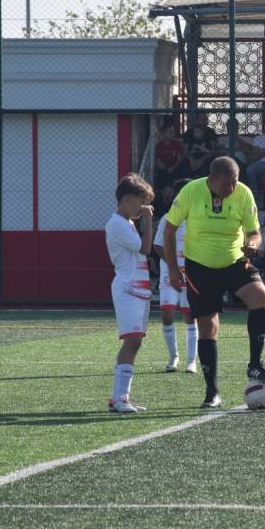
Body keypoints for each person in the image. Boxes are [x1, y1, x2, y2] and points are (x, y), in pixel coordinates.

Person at [163, 157, 265, 410]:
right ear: (211, 180)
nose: (231, 189)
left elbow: (255, 232)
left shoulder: (243, 193)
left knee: (260, 295)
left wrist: (253, 244)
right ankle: (212, 392)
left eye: (234, 182)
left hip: (234, 261)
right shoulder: (191, 191)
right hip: (199, 267)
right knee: (208, 326)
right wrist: (172, 268)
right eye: (226, 184)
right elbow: (169, 229)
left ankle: (255, 364)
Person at [104, 173, 155, 413]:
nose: (142, 207)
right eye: (140, 201)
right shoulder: (117, 223)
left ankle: (120, 397)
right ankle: (120, 398)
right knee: (132, 340)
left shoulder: (127, 223)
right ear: (126, 199)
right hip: (128, 288)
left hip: (138, 288)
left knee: (135, 342)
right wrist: (149, 221)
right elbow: (145, 248)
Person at [153, 181, 198, 374]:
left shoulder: (198, 218)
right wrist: (173, 266)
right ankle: (173, 357)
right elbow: (157, 246)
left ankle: (191, 361)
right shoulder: (168, 218)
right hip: (169, 273)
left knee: (190, 315)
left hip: (192, 274)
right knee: (167, 314)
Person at [182, 112, 221, 177]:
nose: (205, 121)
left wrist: (201, 161)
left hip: (206, 158)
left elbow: (213, 150)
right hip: (191, 159)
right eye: (203, 119)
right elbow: (185, 150)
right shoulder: (189, 132)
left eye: (206, 119)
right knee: (184, 168)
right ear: (197, 120)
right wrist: (191, 159)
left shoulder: (210, 132)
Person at [154, 120, 186, 189]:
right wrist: (163, 167)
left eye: (173, 132)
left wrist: (172, 168)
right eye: (170, 132)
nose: (173, 134)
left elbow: (179, 159)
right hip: (164, 170)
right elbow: (158, 161)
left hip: (175, 169)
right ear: (164, 133)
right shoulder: (159, 146)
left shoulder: (177, 144)